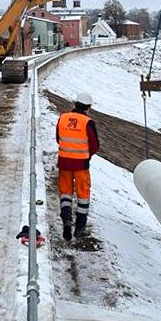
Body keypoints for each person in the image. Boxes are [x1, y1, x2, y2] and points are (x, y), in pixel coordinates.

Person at [56, 91, 100, 241]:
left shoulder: (63, 118)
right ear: (88, 107)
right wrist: (85, 155)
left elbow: (58, 138)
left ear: (75, 104)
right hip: (81, 165)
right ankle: (80, 228)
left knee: (65, 193)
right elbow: (94, 146)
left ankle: (67, 221)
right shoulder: (88, 122)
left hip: (64, 162)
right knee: (83, 196)